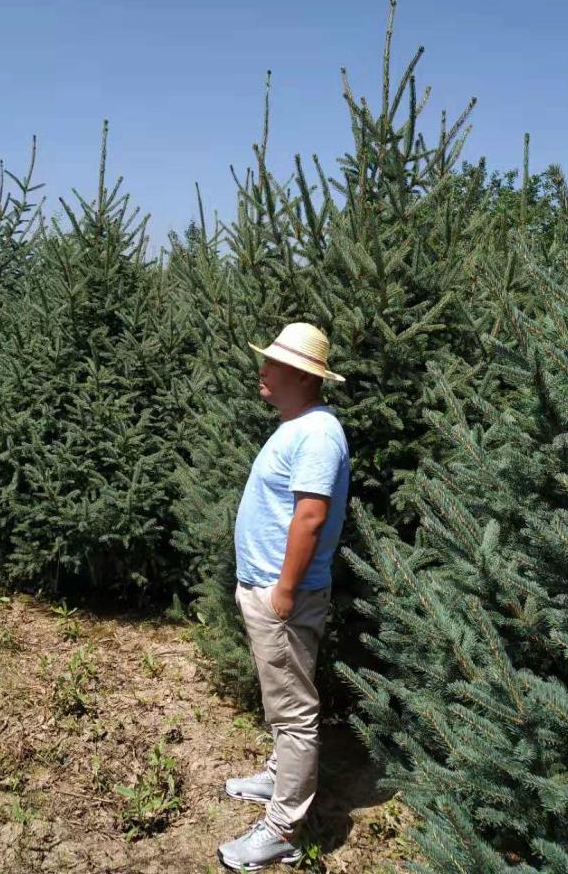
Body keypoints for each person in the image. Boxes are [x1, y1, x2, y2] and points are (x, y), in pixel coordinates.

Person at [217, 322, 350, 871]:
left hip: (283, 595)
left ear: (299, 375)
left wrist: (284, 592)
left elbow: (311, 516)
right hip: (270, 588)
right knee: (286, 699)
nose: (262, 371)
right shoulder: (297, 425)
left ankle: (283, 830)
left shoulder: (317, 434)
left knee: (294, 713)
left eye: (271, 364)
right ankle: (277, 778)